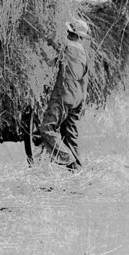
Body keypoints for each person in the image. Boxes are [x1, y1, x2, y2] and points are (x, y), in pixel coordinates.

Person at [38, 19, 91, 169]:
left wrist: (40, 39)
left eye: (68, 32)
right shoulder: (82, 53)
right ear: (81, 37)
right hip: (78, 98)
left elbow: (51, 54)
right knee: (70, 134)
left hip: (64, 95)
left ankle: (68, 160)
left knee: (47, 128)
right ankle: (79, 169)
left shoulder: (67, 47)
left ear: (71, 33)